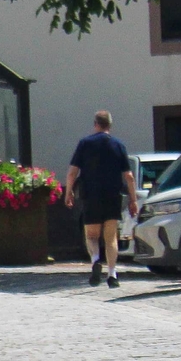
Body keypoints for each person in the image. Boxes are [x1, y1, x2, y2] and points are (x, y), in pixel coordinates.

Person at [65, 110, 138, 288]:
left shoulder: (85, 144)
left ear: (96, 123)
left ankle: (96, 260)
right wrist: (133, 199)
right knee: (111, 236)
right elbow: (129, 176)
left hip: (91, 195)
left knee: (91, 236)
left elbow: (73, 172)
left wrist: (68, 192)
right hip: (112, 195)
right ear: (110, 125)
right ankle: (112, 274)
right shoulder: (118, 145)